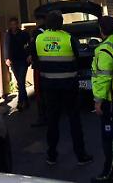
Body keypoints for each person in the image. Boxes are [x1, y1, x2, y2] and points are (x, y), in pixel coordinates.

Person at [32, 10, 93, 167]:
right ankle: (80, 155)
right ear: (61, 23)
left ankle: (51, 155)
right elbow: (79, 59)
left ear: (47, 23)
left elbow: (35, 61)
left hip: (49, 86)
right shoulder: (68, 38)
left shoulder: (39, 39)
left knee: (52, 121)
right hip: (69, 86)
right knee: (74, 120)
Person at [91, 16, 113, 182]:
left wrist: (98, 101)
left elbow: (104, 77)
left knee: (108, 137)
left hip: (110, 100)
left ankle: (109, 172)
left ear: (101, 30)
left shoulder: (105, 48)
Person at [5, 17, 31, 110]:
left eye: (15, 24)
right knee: (20, 82)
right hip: (14, 61)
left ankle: (20, 103)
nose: (13, 26)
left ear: (17, 24)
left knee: (21, 81)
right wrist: (6, 58)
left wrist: (29, 55)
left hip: (23, 60)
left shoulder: (24, 34)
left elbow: (30, 45)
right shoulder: (8, 35)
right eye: (11, 24)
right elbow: (6, 47)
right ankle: (26, 101)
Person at [30, 12, 48, 127]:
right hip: (49, 66)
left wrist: (30, 55)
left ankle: (42, 117)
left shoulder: (37, 33)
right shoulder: (51, 32)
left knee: (39, 92)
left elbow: (32, 48)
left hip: (39, 66)